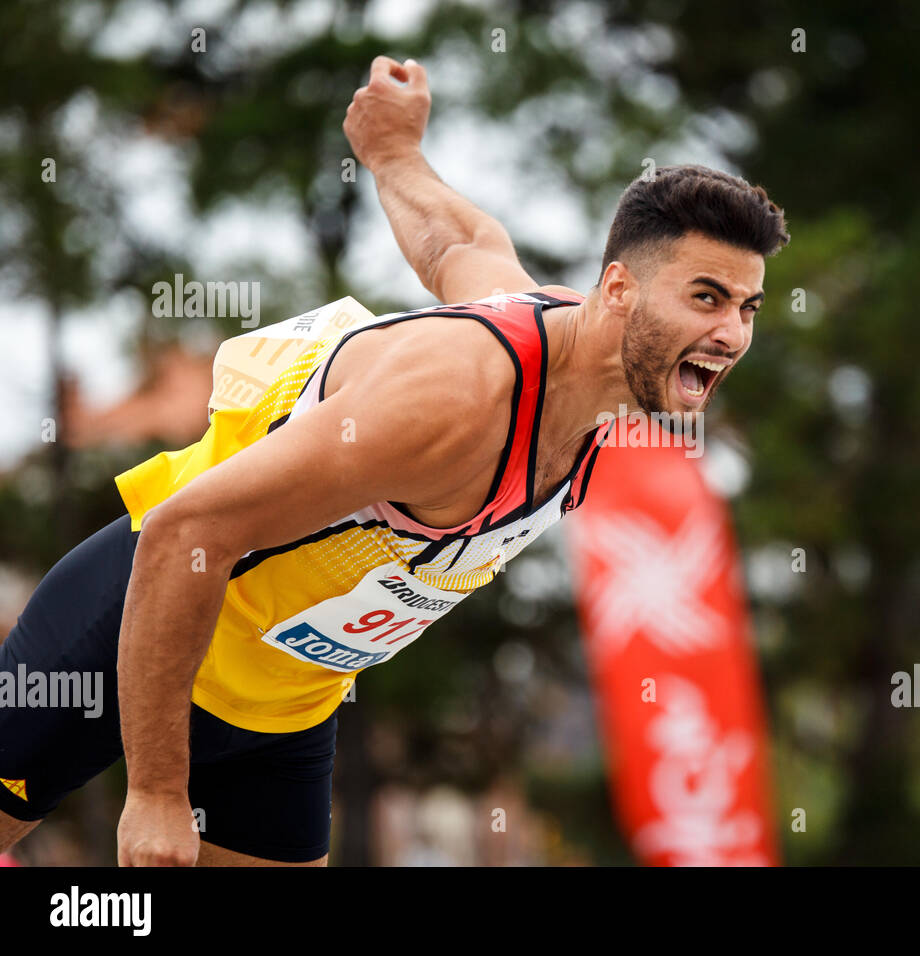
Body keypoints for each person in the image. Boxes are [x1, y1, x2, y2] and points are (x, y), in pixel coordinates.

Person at [0, 55, 788, 867]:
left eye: (747, 307)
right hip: (143, 621)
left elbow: (459, 242)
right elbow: (182, 531)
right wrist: (157, 794)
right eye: (705, 297)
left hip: (284, 710)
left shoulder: (597, 388)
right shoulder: (455, 399)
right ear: (618, 290)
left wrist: (393, 150)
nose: (732, 334)